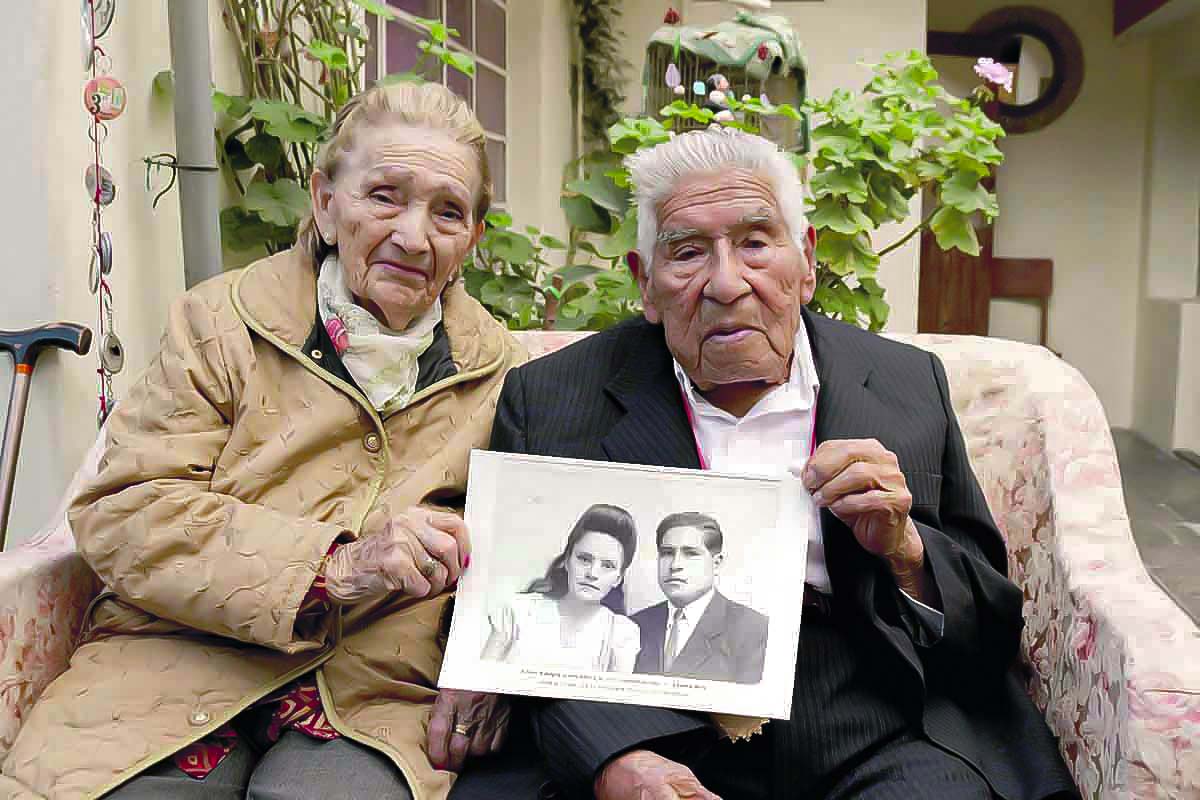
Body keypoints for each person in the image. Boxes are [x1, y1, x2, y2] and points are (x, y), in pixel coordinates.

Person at [485, 127, 1079, 800]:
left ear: (807, 261)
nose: (726, 282)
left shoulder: (906, 383)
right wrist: (616, 758)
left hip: (878, 710)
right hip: (653, 713)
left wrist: (906, 551)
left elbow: (991, 624)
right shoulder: (552, 398)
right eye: (687, 253)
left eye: (755, 243)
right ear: (645, 284)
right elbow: (524, 612)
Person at [0, 82, 526, 800]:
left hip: (376, 694)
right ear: (325, 202)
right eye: (385, 196)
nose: (413, 236)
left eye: (448, 212)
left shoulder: (506, 374)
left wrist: (487, 665)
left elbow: (526, 558)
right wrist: (333, 567)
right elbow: (125, 512)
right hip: (172, 658)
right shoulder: (218, 323)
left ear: (472, 239)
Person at [482, 503, 641, 672]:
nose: (592, 573)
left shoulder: (621, 633)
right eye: (584, 559)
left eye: (607, 566)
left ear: (619, 578)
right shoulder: (517, 610)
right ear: (567, 560)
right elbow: (480, 679)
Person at [632, 512, 767, 684]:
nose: (675, 565)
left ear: (716, 563)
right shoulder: (634, 625)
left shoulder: (754, 630)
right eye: (667, 553)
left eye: (690, 553)